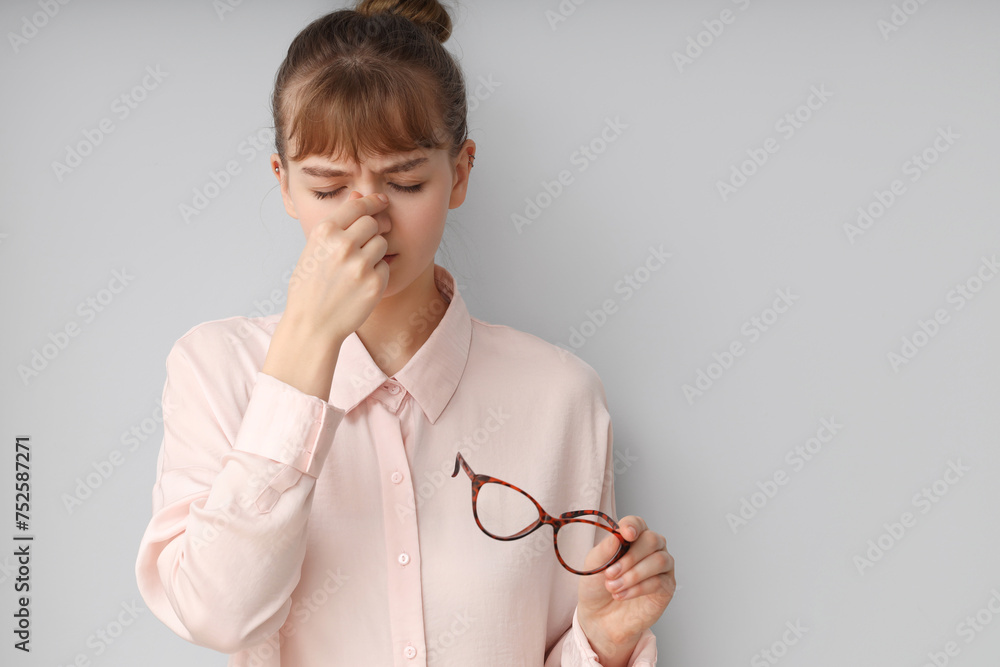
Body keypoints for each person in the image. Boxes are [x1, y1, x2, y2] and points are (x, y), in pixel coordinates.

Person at [134, 1, 675, 665]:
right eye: (328, 188)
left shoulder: (560, 395)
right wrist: (307, 345)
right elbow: (218, 615)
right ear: (284, 184)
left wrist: (603, 644)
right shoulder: (217, 368)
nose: (368, 217)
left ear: (460, 173)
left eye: (406, 181)